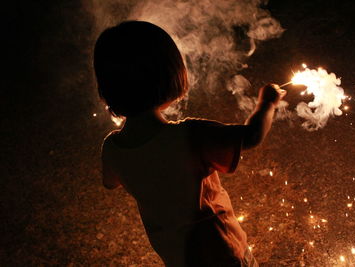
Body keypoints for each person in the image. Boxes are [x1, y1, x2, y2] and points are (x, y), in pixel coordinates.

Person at [94, 21, 286, 267]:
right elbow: (251, 136)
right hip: (223, 254)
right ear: (169, 75)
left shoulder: (113, 148)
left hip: (178, 259)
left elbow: (110, 182)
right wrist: (267, 103)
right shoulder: (190, 136)